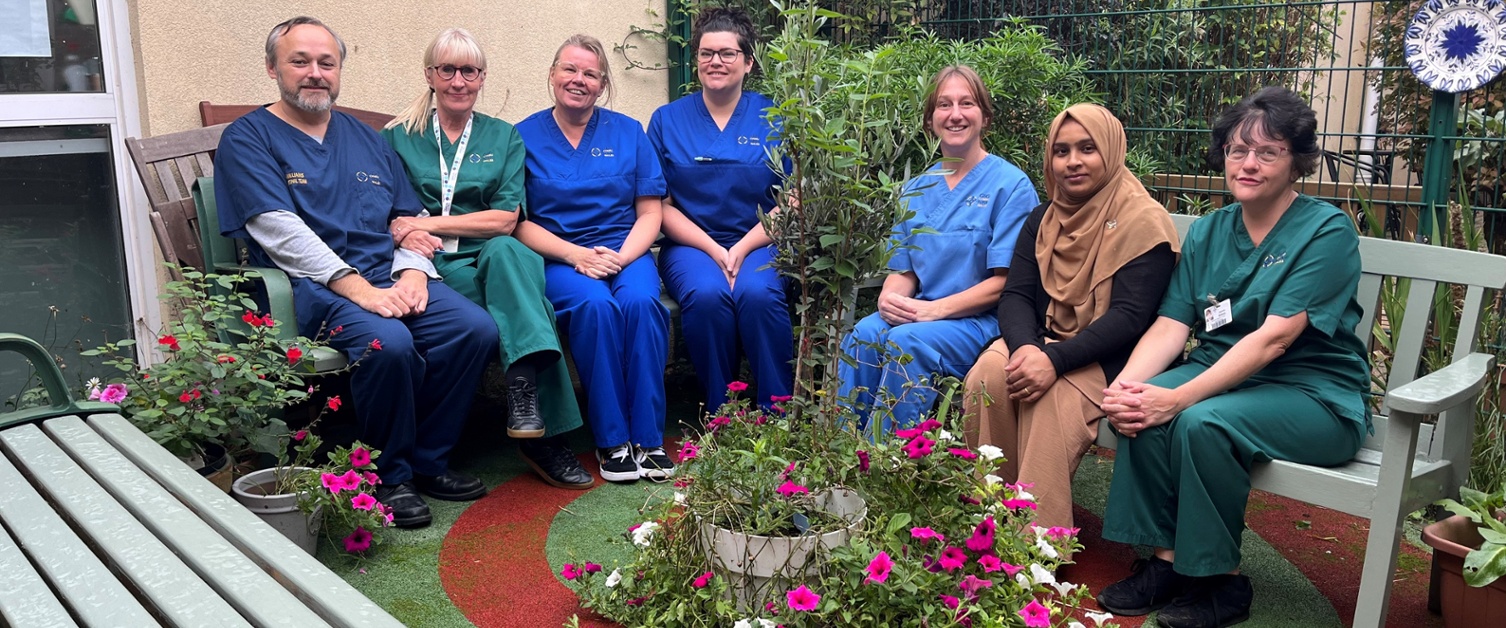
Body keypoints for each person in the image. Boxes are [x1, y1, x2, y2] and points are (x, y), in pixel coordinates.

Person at [1094, 87, 1369, 628]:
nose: (1248, 163)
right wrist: (1124, 388)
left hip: (1311, 393)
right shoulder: (1210, 231)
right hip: (1225, 377)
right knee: (1143, 407)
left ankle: (1219, 582)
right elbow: (1172, 324)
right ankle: (1168, 563)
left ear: (1297, 162)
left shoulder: (1326, 230)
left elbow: (1273, 340)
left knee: (1198, 420)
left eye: (1269, 152)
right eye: (1237, 149)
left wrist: (1176, 397)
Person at [214, 17, 497, 528]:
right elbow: (277, 231)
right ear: (272, 67)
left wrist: (413, 272)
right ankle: (389, 476)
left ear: (340, 69)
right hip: (308, 288)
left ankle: (428, 462)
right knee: (389, 345)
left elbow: (406, 222)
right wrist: (360, 289)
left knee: (472, 330)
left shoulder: (369, 140)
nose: (315, 73)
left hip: (383, 278)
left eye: (327, 62)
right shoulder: (249, 138)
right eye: (300, 61)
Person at [380, 28, 593, 490]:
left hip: (493, 255)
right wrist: (412, 232)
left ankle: (526, 404)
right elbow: (388, 214)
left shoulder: (504, 136)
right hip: (435, 266)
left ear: (482, 78)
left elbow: (504, 219)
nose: (459, 81)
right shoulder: (397, 137)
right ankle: (541, 434)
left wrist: (425, 223)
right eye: (448, 70)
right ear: (430, 75)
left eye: (469, 71)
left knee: (509, 250)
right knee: (531, 310)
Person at [961, 103, 1179, 531]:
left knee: (1052, 397)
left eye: (1087, 148)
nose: (1072, 162)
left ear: (1112, 152)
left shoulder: (1145, 223)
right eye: (1061, 151)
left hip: (1114, 357)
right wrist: (1026, 350)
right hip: (1045, 341)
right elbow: (1017, 295)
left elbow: (1130, 318)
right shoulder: (1042, 219)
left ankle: (1034, 544)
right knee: (989, 372)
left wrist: (1054, 361)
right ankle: (989, 517)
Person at [837, 65, 1038, 433]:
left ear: (985, 117)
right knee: (865, 332)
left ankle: (886, 461)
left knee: (905, 342)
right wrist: (890, 299)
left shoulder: (1011, 187)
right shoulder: (916, 187)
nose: (955, 114)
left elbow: (1006, 282)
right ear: (931, 120)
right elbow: (904, 269)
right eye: (944, 105)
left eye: (967, 103)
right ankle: (841, 447)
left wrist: (934, 310)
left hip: (981, 323)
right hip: (923, 314)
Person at [513, 35, 671, 484]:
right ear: (552, 74)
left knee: (641, 304)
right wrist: (575, 254)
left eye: (590, 74)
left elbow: (650, 210)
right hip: (562, 256)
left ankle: (649, 437)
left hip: (625, 250)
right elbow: (517, 221)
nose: (578, 80)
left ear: (602, 85)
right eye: (569, 70)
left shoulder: (628, 132)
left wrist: (619, 257)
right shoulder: (522, 137)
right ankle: (613, 439)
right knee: (596, 307)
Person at [648, 7, 793, 413]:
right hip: (692, 245)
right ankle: (722, 411)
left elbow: (792, 199)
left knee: (759, 294)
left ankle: (776, 410)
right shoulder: (666, 120)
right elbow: (660, 204)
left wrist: (743, 246)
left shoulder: (774, 117)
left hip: (763, 240)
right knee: (708, 295)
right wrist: (715, 250)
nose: (716, 61)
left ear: (748, 62)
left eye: (728, 53)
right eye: (706, 53)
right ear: (695, 61)